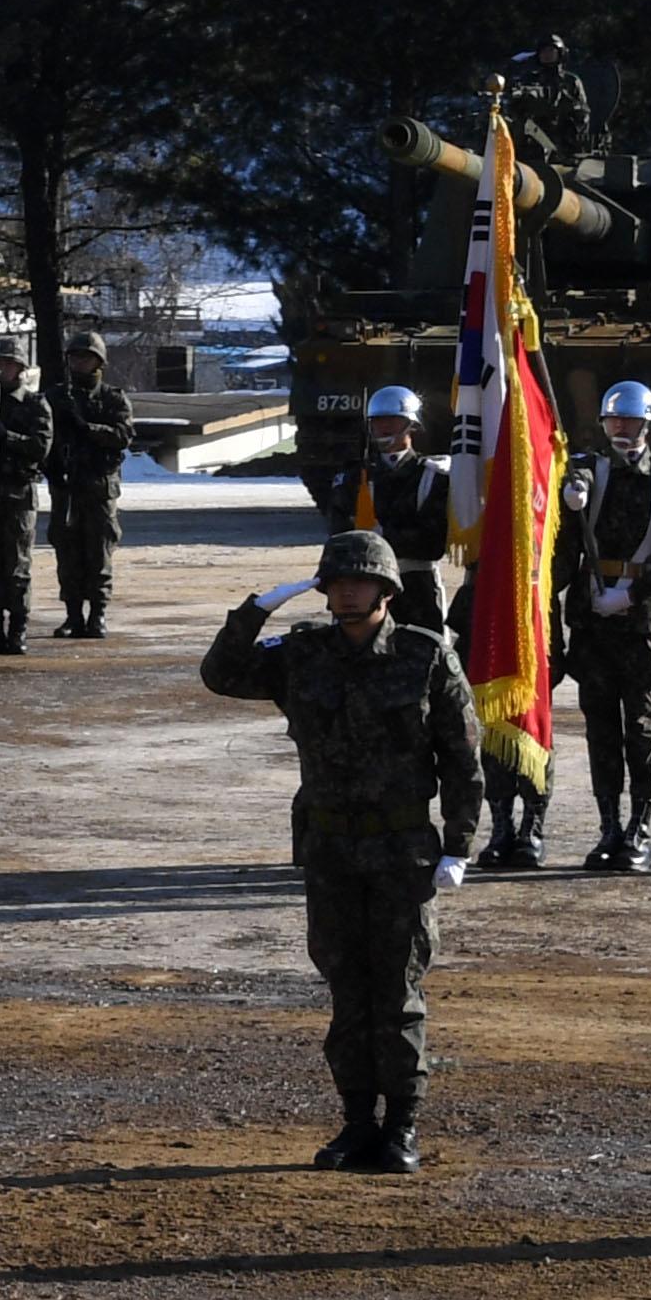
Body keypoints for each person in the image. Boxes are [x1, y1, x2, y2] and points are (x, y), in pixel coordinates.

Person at [199, 531, 479, 1174]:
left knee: (399, 992)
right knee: (347, 993)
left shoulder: (423, 656)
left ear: (386, 590)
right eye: (335, 581)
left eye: (359, 580)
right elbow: (220, 676)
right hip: (330, 849)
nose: (345, 591)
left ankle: (402, 1127)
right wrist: (254, 612)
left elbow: (463, 759)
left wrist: (459, 843)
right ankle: (356, 1123)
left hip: (402, 849)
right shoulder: (301, 655)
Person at [557, 381, 651, 874]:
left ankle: (639, 829)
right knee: (600, 732)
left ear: (647, 426)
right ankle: (608, 827)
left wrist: (632, 594)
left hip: (641, 624)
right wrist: (566, 507)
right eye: (615, 421)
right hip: (594, 623)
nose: (623, 429)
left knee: (641, 731)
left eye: (632, 422)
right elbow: (561, 553)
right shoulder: (583, 475)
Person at [331, 389, 452, 633]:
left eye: (393, 420)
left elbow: (432, 543)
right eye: (377, 421)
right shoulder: (353, 478)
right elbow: (338, 532)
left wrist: (379, 536)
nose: (384, 427)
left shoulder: (433, 476)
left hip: (415, 587)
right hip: (363, 587)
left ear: (411, 425)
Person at [45, 331, 132, 638]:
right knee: (67, 553)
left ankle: (98, 613)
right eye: (74, 357)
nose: (79, 362)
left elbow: (123, 435)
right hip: (67, 487)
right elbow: (44, 438)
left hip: (98, 486)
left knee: (99, 552)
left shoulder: (112, 398)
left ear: (98, 361)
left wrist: (87, 428)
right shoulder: (56, 398)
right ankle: (73, 615)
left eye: (85, 357)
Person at [0, 339, 51, 654]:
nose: (2, 369)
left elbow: (40, 447)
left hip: (18, 495)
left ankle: (17, 631)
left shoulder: (34, 405)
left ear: (21, 368)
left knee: (16, 565)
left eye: (9, 363)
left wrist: (7, 436)